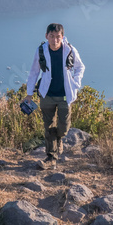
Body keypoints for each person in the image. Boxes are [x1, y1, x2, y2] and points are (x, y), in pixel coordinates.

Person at [24, 23, 84, 170]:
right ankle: (51, 157)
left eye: (58, 37)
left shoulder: (70, 49)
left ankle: (58, 139)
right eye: (52, 36)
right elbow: (34, 72)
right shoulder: (41, 51)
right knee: (48, 126)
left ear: (62, 37)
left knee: (64, 128)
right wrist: (29, 94)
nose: (55, 40)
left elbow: (80, 67)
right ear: (46, 36)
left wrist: (76, 83)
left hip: (65, 94)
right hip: (47, 94)